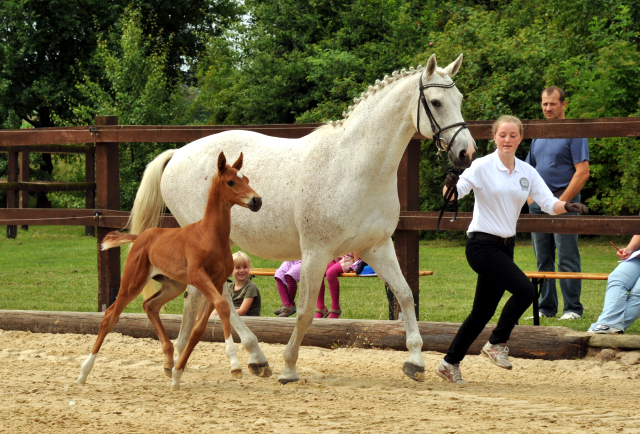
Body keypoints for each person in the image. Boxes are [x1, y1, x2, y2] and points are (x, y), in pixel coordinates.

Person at [435, 115, 588, 384]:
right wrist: (449, 183)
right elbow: (453, 196)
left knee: (482, 312)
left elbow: (549, 203)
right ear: (494, 137)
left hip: (505, 248)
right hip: (482, 246)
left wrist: (568, 206)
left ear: (520, 138)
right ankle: (496, 343)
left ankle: (449, 362)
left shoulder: (526, 172)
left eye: (513, 135)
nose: (507, 140)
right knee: (527, 291)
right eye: (502, 135)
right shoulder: (481, 166)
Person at [525, 86, 590, 320]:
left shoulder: (574, 132)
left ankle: (572, 309)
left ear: (564, 104)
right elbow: (527, 170)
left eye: (553, 103)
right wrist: (532, 198)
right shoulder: (539, 133)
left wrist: (560, 204)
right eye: (544, 104)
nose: (548, 108)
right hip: (538, 203)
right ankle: (545, 307)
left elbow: (582, 172)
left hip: (566, 200)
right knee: (542, 258)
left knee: (567, 256)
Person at [588, 229, 640, 334]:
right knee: (617, 279)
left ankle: (605, 326)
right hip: (637, 257)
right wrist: (629, 250)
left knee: (638, 291)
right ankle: (607, 326)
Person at [212, 251, 261, 317]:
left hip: (247, 318)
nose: (242, 270)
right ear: (231, 269)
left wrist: (223, 314)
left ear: (249, 268)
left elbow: (242, 311)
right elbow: (223, 306)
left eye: (245, 267)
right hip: (234, 315)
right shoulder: (230, 287)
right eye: (238, 268)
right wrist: (210, 317)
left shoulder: (250, 287)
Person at [315, 252, 359, 319]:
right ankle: (321, 308)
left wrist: (356, 264)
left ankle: (335, 309)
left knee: (330, 273)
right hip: (337, 255)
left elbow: (357, 246)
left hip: (352, 258)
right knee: (317, 272)